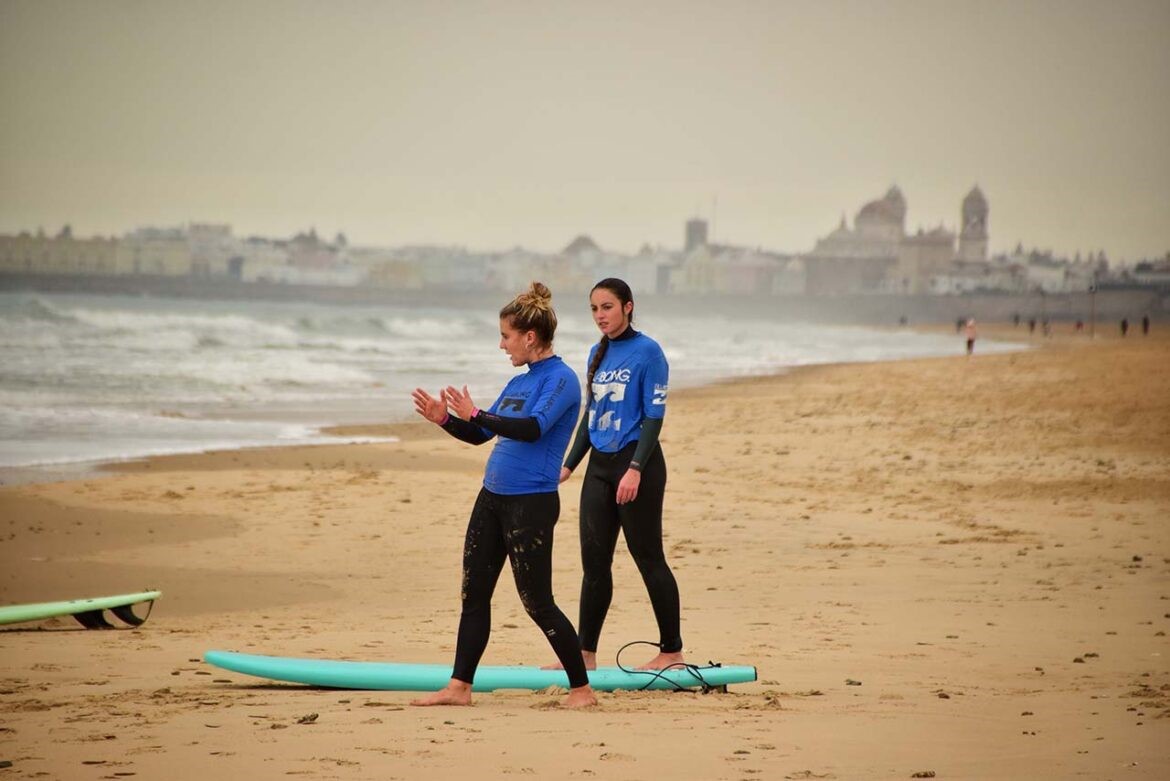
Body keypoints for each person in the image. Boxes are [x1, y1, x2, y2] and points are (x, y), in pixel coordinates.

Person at [410, 282, 597, 708]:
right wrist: (447, 420)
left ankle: (582, 691)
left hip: (529, 503)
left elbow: (533, 428)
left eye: (506, 336)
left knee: (537, 603)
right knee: (473, 595)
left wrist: (476, 412)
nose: (501, 345)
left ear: (529, 337)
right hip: (491, 498)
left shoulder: (562, 381)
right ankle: (459, 687)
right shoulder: (519, 382)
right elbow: (482, 434)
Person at [558, 278, 684, 671]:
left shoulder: (649, 353)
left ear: (628, 307)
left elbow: (653, 415)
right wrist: (567, 465)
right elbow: (589, 417)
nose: (600, 316)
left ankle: (672, 651)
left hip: (637, 465)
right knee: (594, 563)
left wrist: (635, 469)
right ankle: (584, 654)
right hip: (600, 467)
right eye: (594, 309)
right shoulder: (597, 352)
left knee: (648, 557)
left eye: (607, 307)